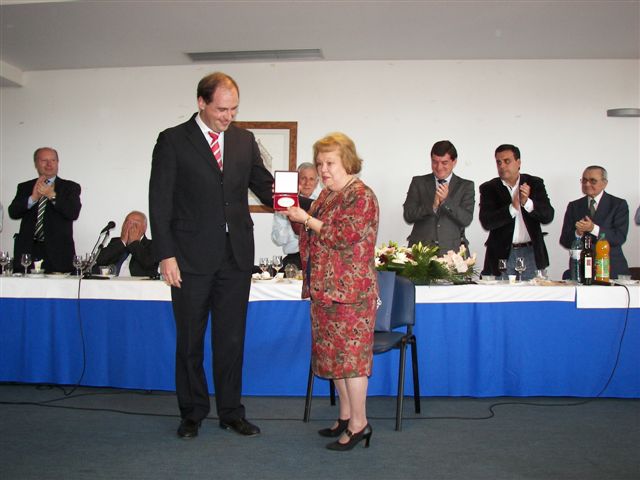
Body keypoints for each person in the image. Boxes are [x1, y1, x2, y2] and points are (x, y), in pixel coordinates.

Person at [149, 72, 273, 439]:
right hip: (189, 259)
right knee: (190, 340)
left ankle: (231, 412)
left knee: (231, 341)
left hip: (236, 257)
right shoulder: (173, 140)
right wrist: (166, 255)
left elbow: (266, 188)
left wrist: (311, 205)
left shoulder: (244, 141)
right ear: (201, 103)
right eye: (221, 109)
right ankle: (192, 412)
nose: (228, 117)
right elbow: (160, 201)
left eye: (234, 109)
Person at [284, 132, 379, 451]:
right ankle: (346, 415)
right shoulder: (326, 195)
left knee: (351, 361)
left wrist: (307, 219)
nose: (323, 170)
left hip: (351, 294)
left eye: (329, 163)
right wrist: (296, 216)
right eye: (320, 163)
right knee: (334, 358)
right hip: (325, 290)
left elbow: (343, 235)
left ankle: (360, 424)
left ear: (347, 162)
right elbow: (310, 232)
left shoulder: (361, 196)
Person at [479, 144, 554, 280]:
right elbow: (487, 222)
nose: (502, 166)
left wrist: (527, 203)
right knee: (503, 292)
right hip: (502, 255)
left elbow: (548, 216)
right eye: (498, 162)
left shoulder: (534, 183)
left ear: (518, 162)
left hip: (531, 252)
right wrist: (513, 208)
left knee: (533, 292)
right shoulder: (489, 188)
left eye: (507, 161)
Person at [8, 147, 81, 273]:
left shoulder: (70, 187)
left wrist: (52, 195)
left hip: (58, 254)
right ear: (36, 164)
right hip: (28, 252)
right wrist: (33, 198)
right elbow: (13, 212)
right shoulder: (25, 187)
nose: (49, 164)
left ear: (57, 163)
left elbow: (73, 213)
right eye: (44, 160)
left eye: (53, 160)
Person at [403, 140, 475, 254]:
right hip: (421, 253)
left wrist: (446, 201)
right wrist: (433, 206)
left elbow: (466, 219)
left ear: (454, 162)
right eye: (435, 162)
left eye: (444, 162)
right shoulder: (418, 182)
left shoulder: (466, 186)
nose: (439, 167)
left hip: (453, 253)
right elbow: (408, 215)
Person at [559, 166, 630, 279]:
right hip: (581, 269)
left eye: (593, 181)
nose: (587, 184)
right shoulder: (574, 206)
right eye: (584, 180)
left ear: (604, 183)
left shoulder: (618, 204)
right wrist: (578, 233)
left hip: (610, 268)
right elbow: (564, 240)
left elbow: (619, 237)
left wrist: (593, 229)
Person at [271, 162, 321, 269]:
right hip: (294, 259)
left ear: (317, 183)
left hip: (318, 258)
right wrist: (291, 220)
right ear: (297, 181)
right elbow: (278, 240)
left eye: (311, 179)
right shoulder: (284, 203)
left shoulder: (322, 204)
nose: (307, 183)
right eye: (303, 178)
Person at [94, 211, 158, 277]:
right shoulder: (116, 242)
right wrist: (122, 242)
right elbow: (99, 260)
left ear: (144, 228)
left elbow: (149, 265)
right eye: (127, 222)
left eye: (135, 223)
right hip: (112, 281)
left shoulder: (152, 244)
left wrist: (134, 243)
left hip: (136, 282)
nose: (130, 226)